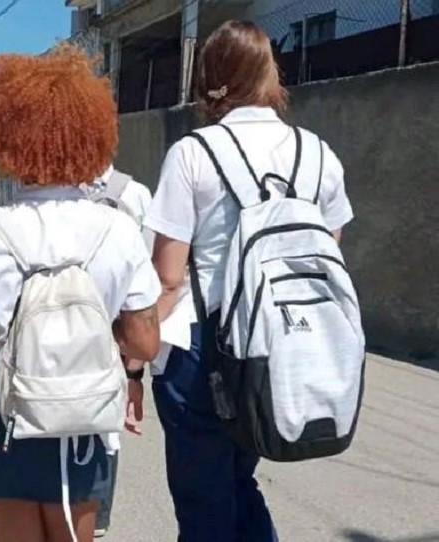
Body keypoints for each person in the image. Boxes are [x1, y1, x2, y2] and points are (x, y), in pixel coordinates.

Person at [144, 21, 354, 541]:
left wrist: (133, 356)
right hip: (276, 344)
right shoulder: (318, 153)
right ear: (268, 72)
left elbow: (168, 277)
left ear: (210, 77)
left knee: (203, 499)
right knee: (241, 480)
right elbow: (326, 252)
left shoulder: (193, 152)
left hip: (202, 344)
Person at [0, 45, 161, 542]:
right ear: (93, 134)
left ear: (4, 137)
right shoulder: (118, 228)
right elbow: (145, 343)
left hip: (7, 417)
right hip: (84, 417)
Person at [83, 165, 153, 538]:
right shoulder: (136, 194)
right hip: (116, 330)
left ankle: (82, 509)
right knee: (107, 423)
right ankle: (97, 515)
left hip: (69, 328)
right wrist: (134, 369)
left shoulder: (58, 194)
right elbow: (147, 285)